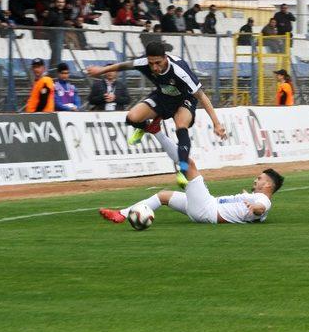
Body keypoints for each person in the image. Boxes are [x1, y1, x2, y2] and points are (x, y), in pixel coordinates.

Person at [86, 41, 227, 187]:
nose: (154, 67)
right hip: (163, 95)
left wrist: (216, 123)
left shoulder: (179, 71)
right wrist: (100, 71)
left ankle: (183, 170)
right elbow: (123, 66)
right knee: (132, 118)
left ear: (165, 57)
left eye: (158, 62)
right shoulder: (144, 63)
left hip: (184, 99)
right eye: (151, 63)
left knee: (181, 126)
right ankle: (149, 127)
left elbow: (202, 96)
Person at [100, 117, 284, 225]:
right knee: (163, 196)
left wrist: (256, 208)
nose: (255, 181)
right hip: (204, 208)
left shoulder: (262, 201)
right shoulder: (254, 197)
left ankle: (156, 131)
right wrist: (246, 200)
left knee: (190, 165)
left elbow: (262, 208)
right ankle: (122, 214)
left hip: (208, 209)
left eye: (259, 179)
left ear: (268, 184)